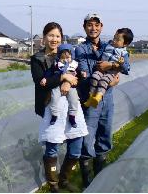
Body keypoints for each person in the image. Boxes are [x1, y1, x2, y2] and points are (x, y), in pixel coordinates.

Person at [30, 22, 88, 192]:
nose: (54, 39)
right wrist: (64, 77)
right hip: (51, 106)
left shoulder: (68, 55)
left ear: (61, 38)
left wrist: (70, 82)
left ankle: (64, 179)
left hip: (71, 105)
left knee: (76, 146)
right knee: (52, 146)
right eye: (51, 35)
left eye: (57, 36)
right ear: (44, 37)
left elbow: (78, 78)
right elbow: (41, 82)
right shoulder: (38, 59)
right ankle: (53, 183)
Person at [75, 13, 130, 188]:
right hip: (91, 99)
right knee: (87, 138)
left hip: (107, 100)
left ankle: (100, 181)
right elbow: (84, 74)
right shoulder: (81, 49)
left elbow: (126, 66)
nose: (93, 28)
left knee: (104, 137)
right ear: (85, 27)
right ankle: (87, 182)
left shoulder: (111, 45)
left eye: (96, 25)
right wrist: (109, 78)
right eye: (89, 25)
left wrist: (112, 66)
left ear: (101, 27)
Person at [83, 28, 133, 108]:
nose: (114, 40)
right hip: (101, 70)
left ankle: (98, 97)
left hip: (111, 72)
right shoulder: (107, 46)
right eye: (114, 38)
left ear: (125, 44)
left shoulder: (124, 54)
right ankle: (91, 97)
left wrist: (121, 63)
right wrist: (95, 51)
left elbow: (127, 69)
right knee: (94, 77)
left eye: (117, 40)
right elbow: (99, 55)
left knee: (103, 81)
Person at [40, 43, 79, 127]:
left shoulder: (75, 65)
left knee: (74, 99)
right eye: (62, 58)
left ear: (72, 56)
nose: (65, 60)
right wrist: (45, 78)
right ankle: (54, 115)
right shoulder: (56, 65)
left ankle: (72, 116)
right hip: (58, 84)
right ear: (59, 57)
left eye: (68, 57)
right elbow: (49, 72)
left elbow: (78, 75)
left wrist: (82, 73)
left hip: (71, 85)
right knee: (54, 96)